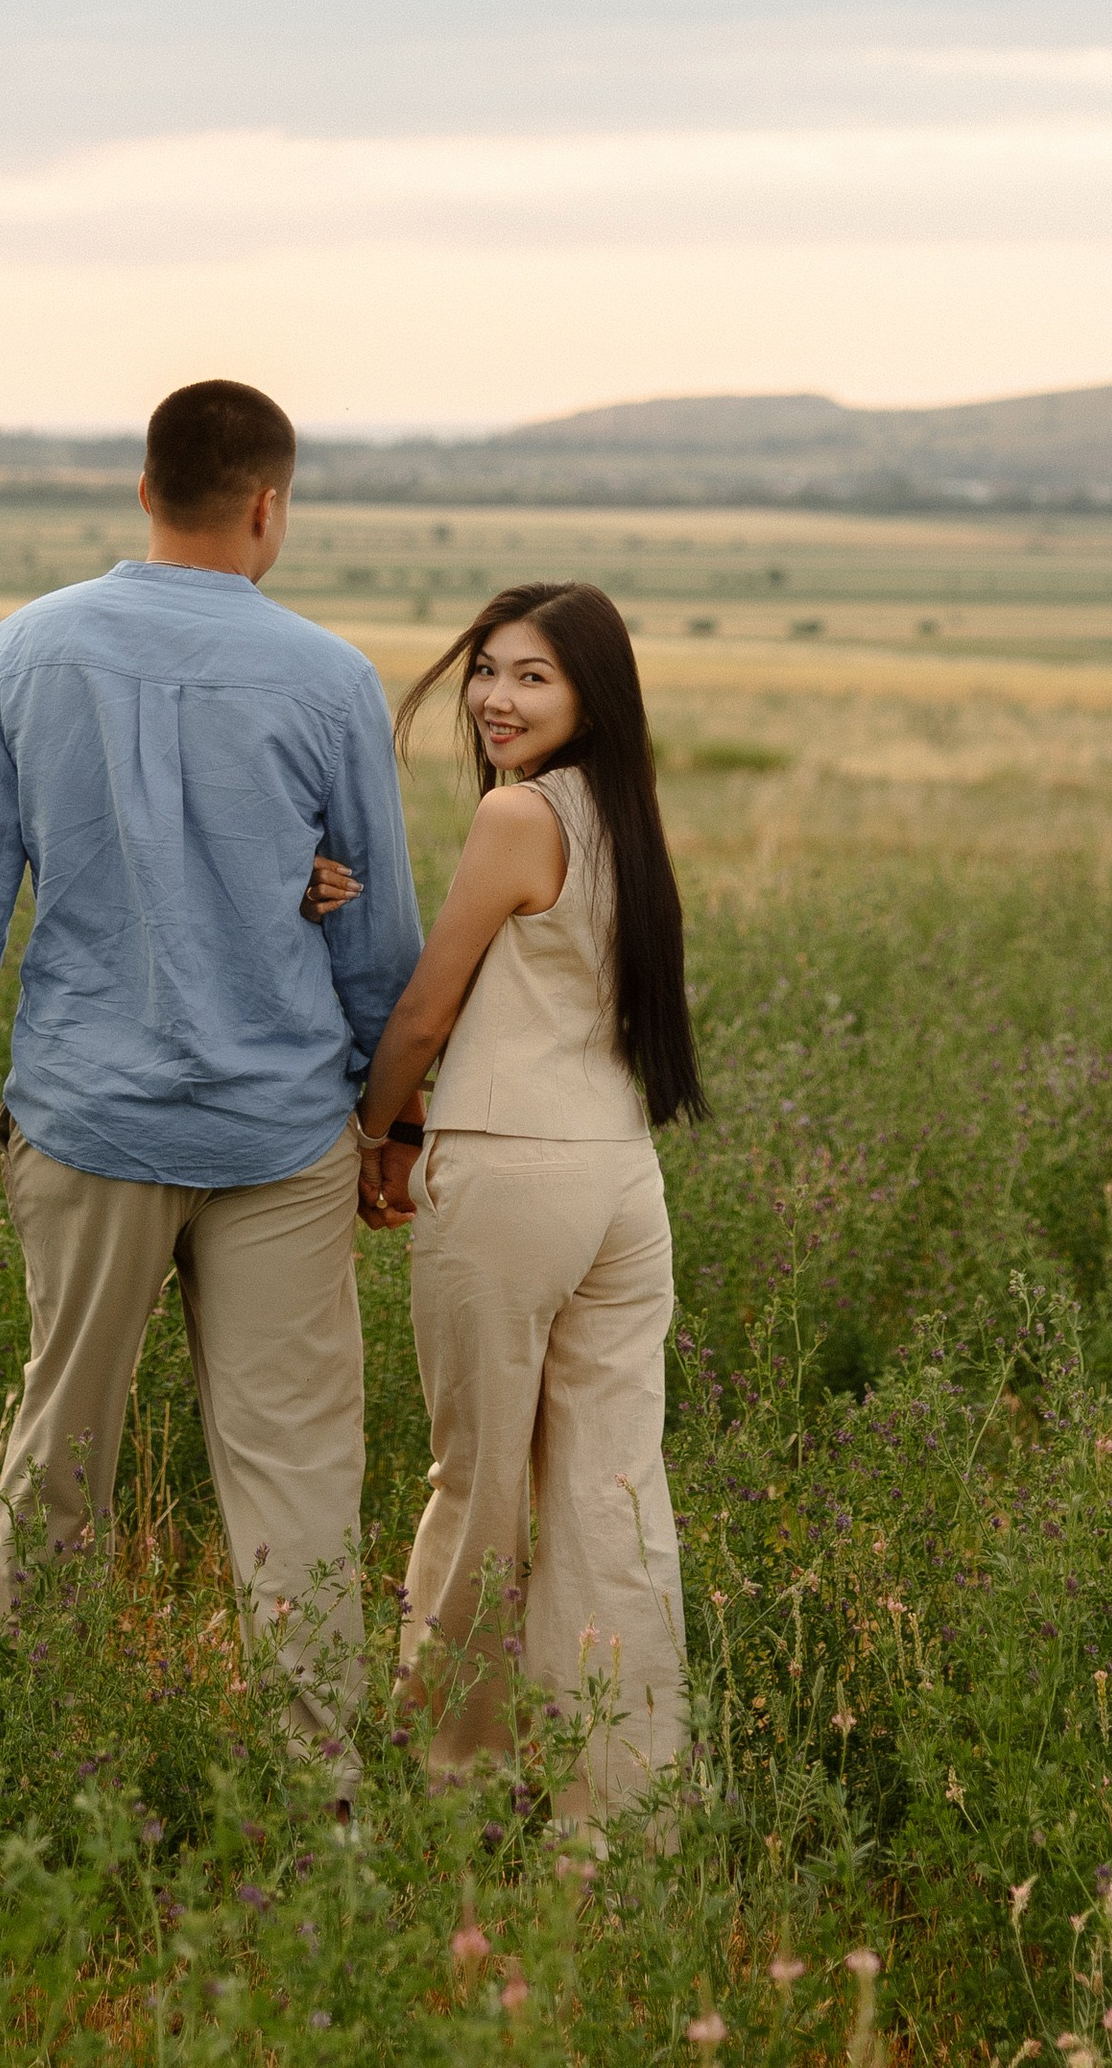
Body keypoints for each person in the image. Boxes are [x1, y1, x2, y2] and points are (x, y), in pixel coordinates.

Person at [0, 378, 422, 1765]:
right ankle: (321, 1799)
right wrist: (392, 1122)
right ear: (269, 505)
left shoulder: (24, 650)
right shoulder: (331, 678)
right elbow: (378, 931)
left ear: (144, 489)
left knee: (60, 1450)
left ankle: (41, 1757)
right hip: (283, 1133)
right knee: (296, 1476)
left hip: (87, 1117)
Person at [353, 581, 705, 1829]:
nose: (495, 698)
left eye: (531, 676)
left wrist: (380, 1131)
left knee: (479, 1486)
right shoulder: (627, 815)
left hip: (509, 1172)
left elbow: (424, 1011)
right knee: (612, 1495)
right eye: (487, 669)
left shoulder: (517, 814)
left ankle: (453, 1783)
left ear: (588, 695)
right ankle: (618, 1807)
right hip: (620, 1179)